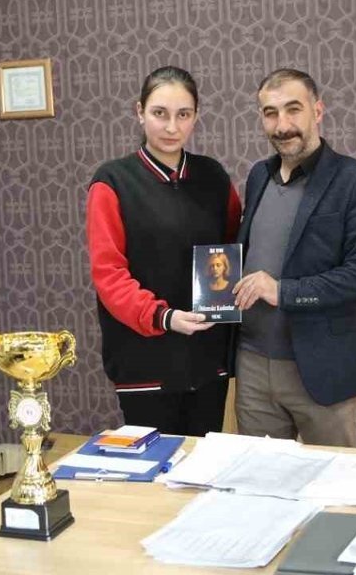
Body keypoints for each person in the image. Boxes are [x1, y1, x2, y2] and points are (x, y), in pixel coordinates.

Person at [232, 68, 356, 447]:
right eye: (270, 113)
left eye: (293, 109)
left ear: (317, 111)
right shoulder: (258, 176)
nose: (282, 125)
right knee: (260, 476)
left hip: (323, 366)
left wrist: (282, 291)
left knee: (337, 478)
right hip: (253, 364)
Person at [86, 66, 241, 436]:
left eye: (183, 114)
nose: (172, 127)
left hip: (209, 360)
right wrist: (163, 317)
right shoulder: (112, 182)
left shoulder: (214, 177)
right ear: (140, 112)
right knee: (157, 466)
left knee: (205, 462)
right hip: (145, 362)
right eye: (160, 113)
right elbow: (109, 275)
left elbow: (234, 250)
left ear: (196, 116)